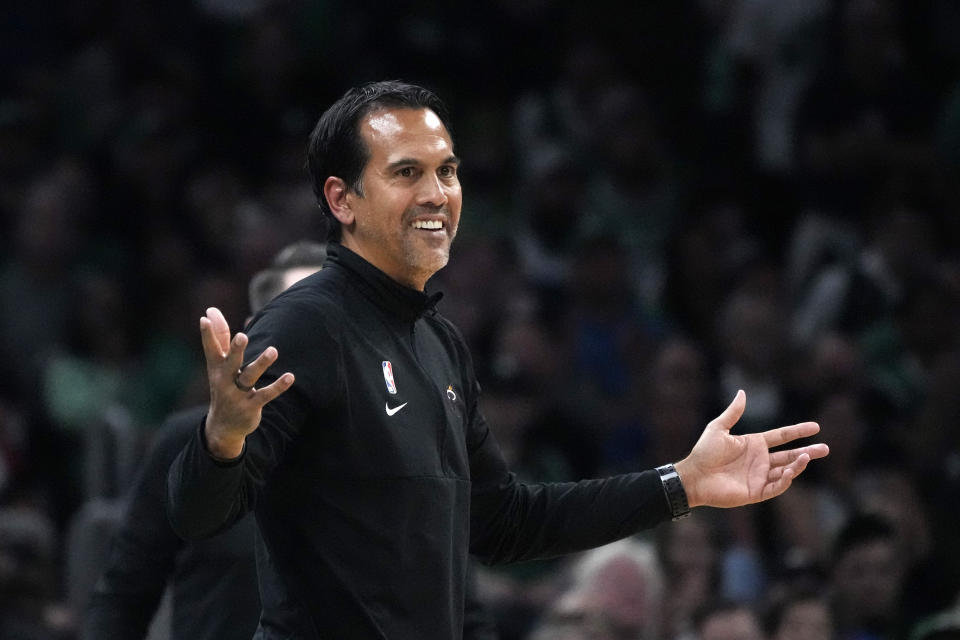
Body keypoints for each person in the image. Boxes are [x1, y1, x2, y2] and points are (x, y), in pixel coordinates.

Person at [167, 80, 829, 640]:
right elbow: (198, 514)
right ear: (343, 200)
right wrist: (221, 440)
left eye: (446, 170)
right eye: (406, 172)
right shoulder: (306, 325)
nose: (437, 194)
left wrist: (681, 483)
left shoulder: (441, 344)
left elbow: (508, 522)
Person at [82, 241, 328, 640]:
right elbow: (123, 598)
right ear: (255, 332)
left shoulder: (393, 444)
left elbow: (457, 604)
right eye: (301, 319)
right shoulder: (186, 440)